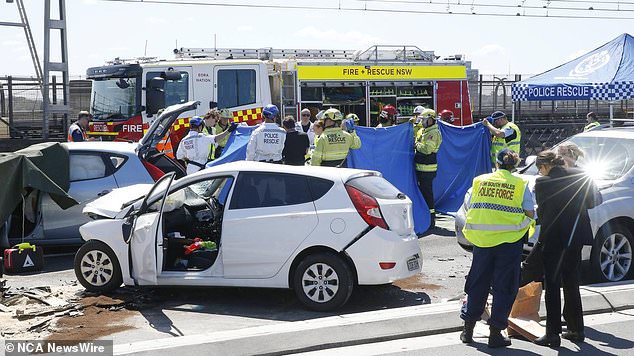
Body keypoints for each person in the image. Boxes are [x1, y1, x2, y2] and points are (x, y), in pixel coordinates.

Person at [459, 149, 535, 348]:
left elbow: (469, 205)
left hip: (482, 241)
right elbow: (530, 211)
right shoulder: (520, 184)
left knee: (477, 284)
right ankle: (495, 334)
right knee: (504, 287)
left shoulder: (480, 180)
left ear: (497, 163)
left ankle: (468, 330)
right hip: (509, 242)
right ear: (515, 165)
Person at [532, 150, 601, 347]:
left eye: (540, 168)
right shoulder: (579, 175)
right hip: (576, 236)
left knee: (553, 285)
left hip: (553, 238)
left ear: (545, 166)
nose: (540, 172)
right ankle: (576, 329)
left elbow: (543, 212)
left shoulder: (542, 183)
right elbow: (591, 203)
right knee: (572, 281)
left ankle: (552, 333)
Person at [414, 109, 442, 229]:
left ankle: (431, 220)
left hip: (427, 170)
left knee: (427, 195)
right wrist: (413, 123)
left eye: (424, 120)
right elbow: (416, 132)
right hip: (420, 167)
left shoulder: (433, 133)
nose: (423, 122)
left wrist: (416, 145)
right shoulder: (424, 131)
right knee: (422, 194)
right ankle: (425, 217)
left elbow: (427, 150)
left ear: (431, 119)